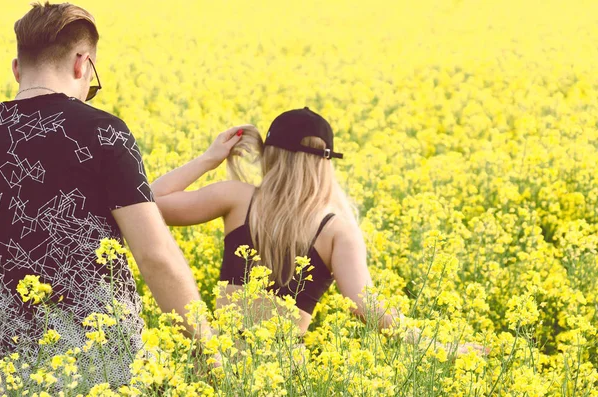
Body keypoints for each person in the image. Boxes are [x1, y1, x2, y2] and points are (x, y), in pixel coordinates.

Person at [152, 108, 487, 355]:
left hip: (218, 363)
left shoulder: (237, 198)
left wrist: (209, 159)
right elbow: (368, 308)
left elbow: (147, 203)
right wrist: (442, 348)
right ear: (326, 163)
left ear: (270, 155)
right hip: (280, 373)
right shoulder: (337, 231)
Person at [0, 1, 213, 385]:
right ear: (83, 64)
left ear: (17, 68)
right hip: (100, 366)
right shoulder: (103, 131)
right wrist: (210, 354)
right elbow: (155, 257)